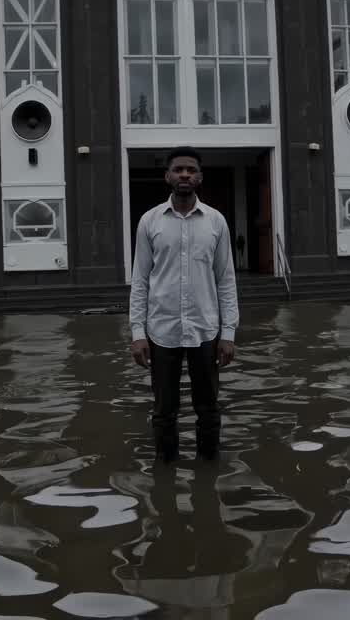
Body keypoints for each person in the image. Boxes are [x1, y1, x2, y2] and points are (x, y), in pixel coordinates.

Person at [129, 147, 239, 463]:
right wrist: (138, 332)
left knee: (209, 409)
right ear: (167, 176)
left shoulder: (216, 222)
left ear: (200, 177)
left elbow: (226, 279)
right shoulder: (150, 221)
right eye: (178, 169)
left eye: (191, 170)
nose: (185, 175)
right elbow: (140, 280)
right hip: (161, 330)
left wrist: (228, 332)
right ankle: (165, 474)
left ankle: (208, 474)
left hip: (206, 330)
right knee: (164, 411)